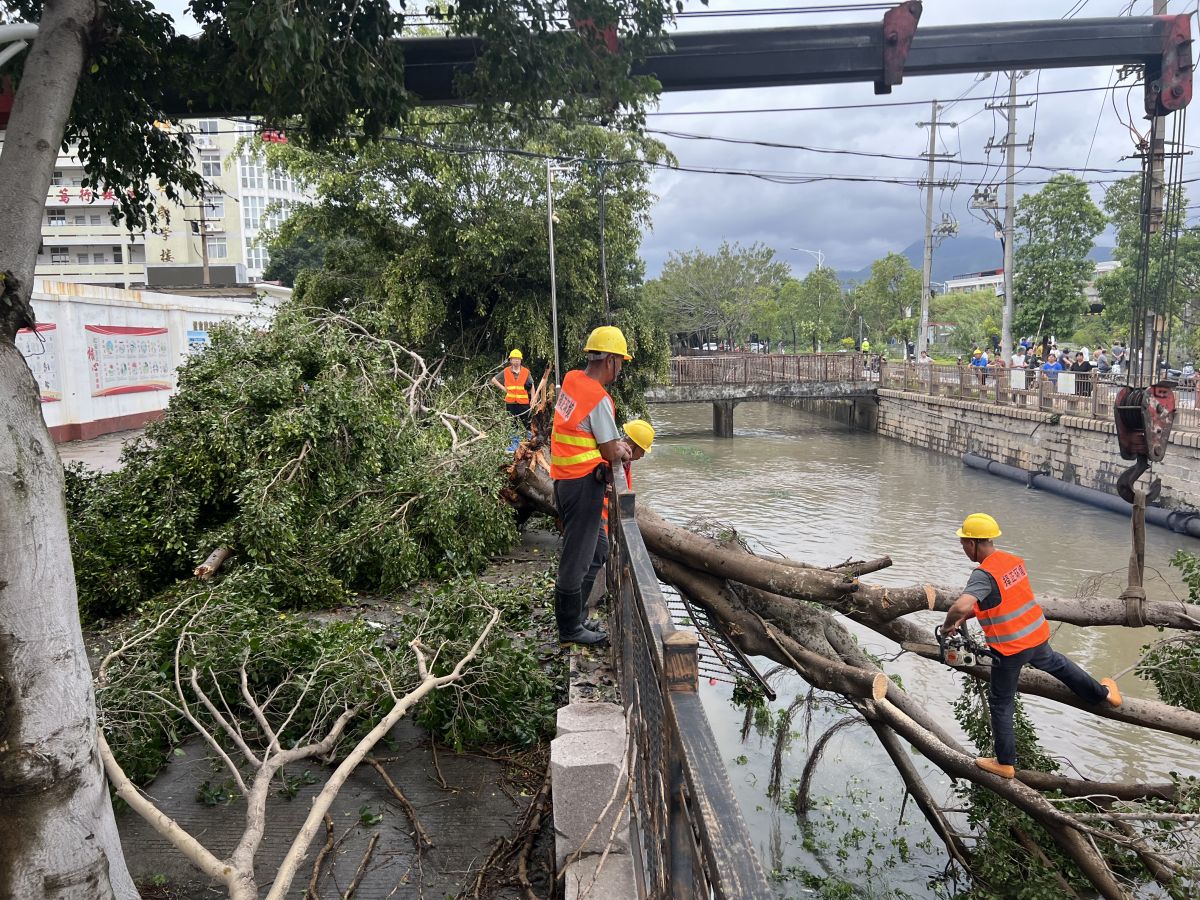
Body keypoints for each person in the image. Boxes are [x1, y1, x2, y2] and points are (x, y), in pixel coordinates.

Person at [941, 514, 1121, 778]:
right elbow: (1000, 601)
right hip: (1035, 635)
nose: (963, 548)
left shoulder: (982, 574)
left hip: (1011, 647)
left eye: (963, 543)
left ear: (972, 543)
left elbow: (961, 604)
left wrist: (949, 624)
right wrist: (964, 619)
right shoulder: (1012, 562)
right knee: (1058, 664)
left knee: (1001, 702)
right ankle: (1105, 695)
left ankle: (1004, 763)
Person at [551, 326, 633, 646]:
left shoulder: (572, 380)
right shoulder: (599, 398)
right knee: (576, 560)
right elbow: (611, 449)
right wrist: (622, 449)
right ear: (611, 360)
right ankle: (569, 628)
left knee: (597, 549)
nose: (621, 368)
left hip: (565, 481)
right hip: (583, 485)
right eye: (621, 362)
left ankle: (577, 616)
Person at [491, 349, 534, 426]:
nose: (516, 361)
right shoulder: (506, 371)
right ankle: (514, 438)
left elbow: (532, 385)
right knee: (512, 425)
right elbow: (494, 380)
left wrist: (533, 399)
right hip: (510, 403)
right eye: (514, 359)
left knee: (528, 424)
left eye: (518, 359)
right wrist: (504, 389)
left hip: (523, 403)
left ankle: (530, 438)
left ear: (521, 360)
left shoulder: (526, 372)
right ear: (510, 360)